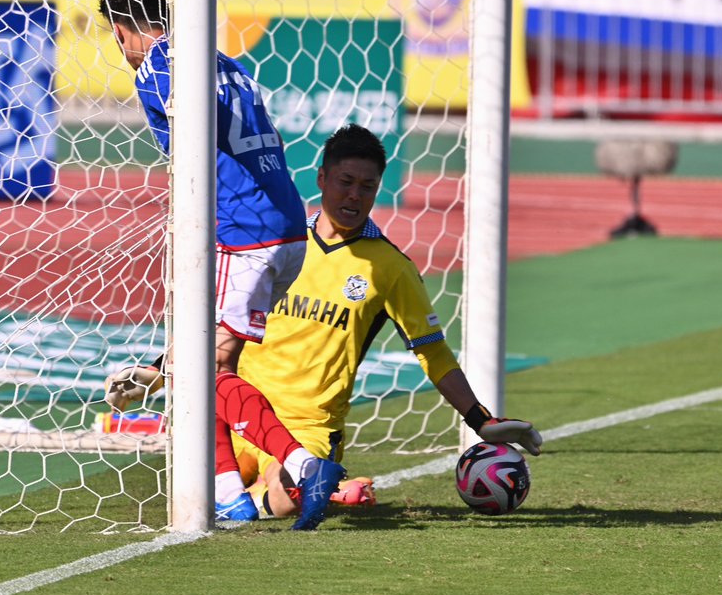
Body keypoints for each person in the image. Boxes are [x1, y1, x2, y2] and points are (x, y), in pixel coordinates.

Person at [97, 0, 345, 529]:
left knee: (204, 370)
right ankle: (230, 496)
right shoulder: (223, 61)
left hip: (242, 231)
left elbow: (198, 127)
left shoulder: (163, 66)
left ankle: (303, 465)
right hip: (285, 223)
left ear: (118, 30)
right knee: (203, 366)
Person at [233, 124, 544, 521]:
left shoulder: (391, 268)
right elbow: (224, 320)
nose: (355, 195)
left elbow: (432, 351)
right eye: (345, 181)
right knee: (199, 477)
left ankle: (281, 494)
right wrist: (157, 372)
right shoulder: (281, 242)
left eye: (367, 186)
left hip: (307, 427)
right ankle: (326, 490)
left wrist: (480, 419)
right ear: (322, 178)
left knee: (287, 496)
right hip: (241, 407)